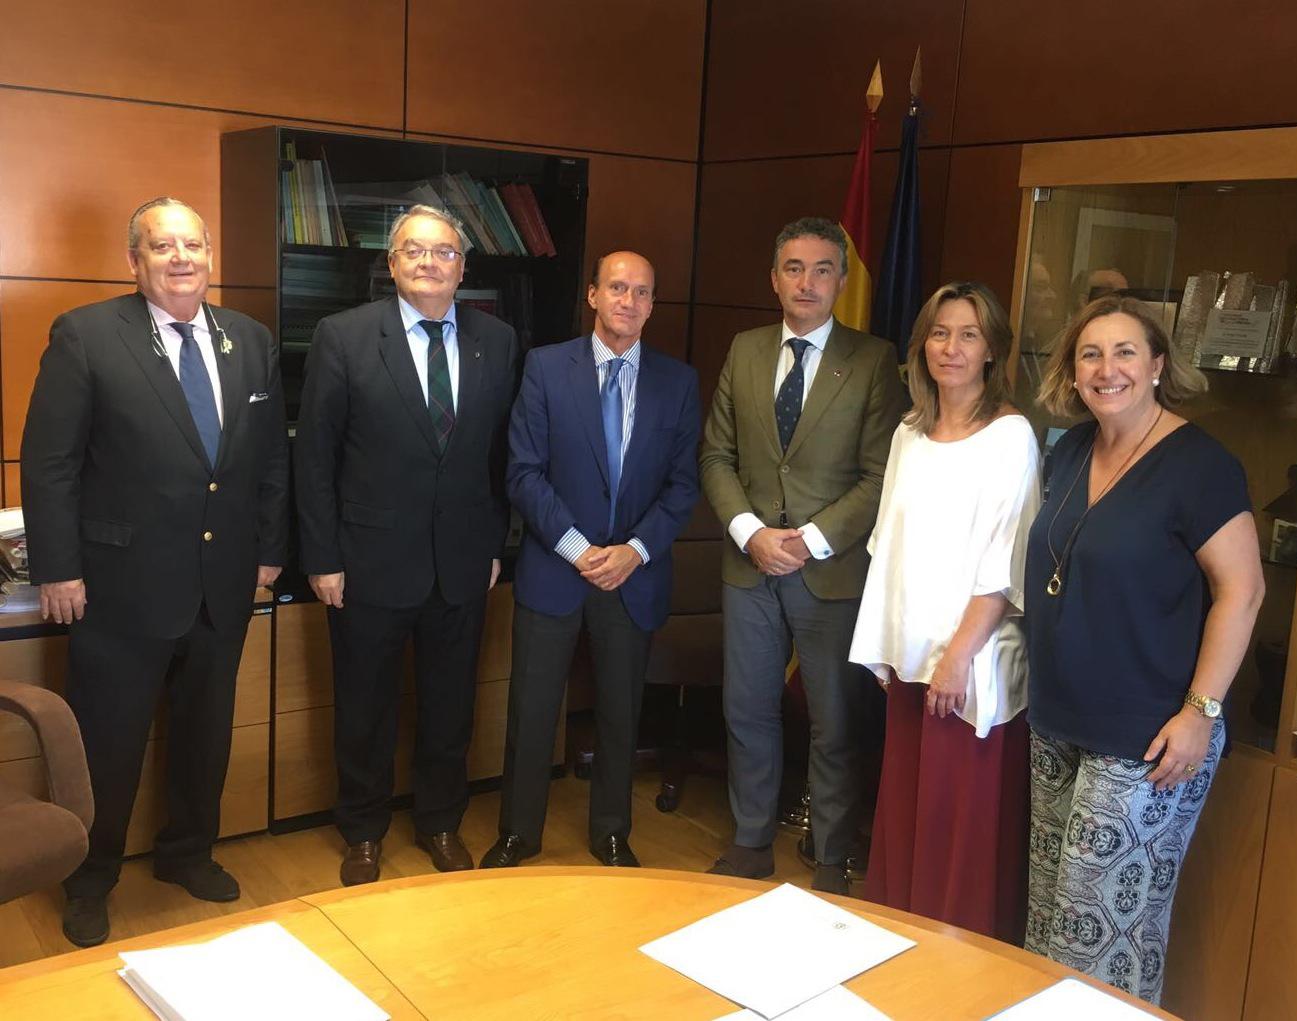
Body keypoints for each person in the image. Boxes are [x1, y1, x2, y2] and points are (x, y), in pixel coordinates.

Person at [20, 197, 288, 947]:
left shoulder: (250, 339)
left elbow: (270, 457)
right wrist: (59, 568)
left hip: (222, 581)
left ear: (209, 255)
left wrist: (270, 549)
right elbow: (49, 464)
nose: (180, 258)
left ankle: (187, 854)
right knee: (107, 743)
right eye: (162, 246)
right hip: (118, 586)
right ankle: (89, 878)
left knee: (206, 735)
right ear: (134, 261)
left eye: (192, 245)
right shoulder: (85, 334)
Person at [1023, 295, 1265, 1004]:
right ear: (1073, 372)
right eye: (1091, 354)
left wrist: (1200, 712)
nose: (1108, 369)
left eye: (1125, 351)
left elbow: (1243, 591)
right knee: (1048, 922)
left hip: (1149, 736)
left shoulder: (1200, 465)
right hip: (1058, 721)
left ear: (1158, 364)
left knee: (1100, 938)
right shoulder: (1071, 448)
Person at [294, 205, 518, 886]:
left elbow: (502, 455)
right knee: (365, 708)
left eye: (444, 251)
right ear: (391, 264)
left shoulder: (497, 340)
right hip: (367, 563)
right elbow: (316, 457)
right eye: (414, 250)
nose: (429, 262)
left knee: (451, 707)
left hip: (462, 562)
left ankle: (440, 822)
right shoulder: (344, 336)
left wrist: (495, 544)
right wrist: (323, 557)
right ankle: (363, 831)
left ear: (462, 267)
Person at [699, 216, 904, 894]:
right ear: (774, 278)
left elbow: (881, 474)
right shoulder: (746, 349)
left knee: (834, 721)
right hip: (749, 565)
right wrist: (750, 533)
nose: (807, 282)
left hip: (831, 572)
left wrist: (809, 540)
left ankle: (833, 855)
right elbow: (717, 455)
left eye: (822, 269)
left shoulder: (873, 359)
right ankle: (751, 841)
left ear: (841, 281)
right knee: (748, 709)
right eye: (794, 268)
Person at [483, 252, 700, 869]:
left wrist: (634, 551)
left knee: (619, 712)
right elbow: (523, 473)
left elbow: (683, 486)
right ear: (593, 295)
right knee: (532, 709)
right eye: (617, 288)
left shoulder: (679, 382)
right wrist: (580, 549)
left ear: (652, 304)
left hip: (634, 575)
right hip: (557, 568)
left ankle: (611, 832)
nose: (628, 301)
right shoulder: (546, 367)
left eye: (642, 291)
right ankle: (519, 833)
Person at [848, 282, 1040, 942]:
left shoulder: (1011, 436)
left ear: (992, 351)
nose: (951, 347)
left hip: (969, 664)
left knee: (957, 826)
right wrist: (883, 649)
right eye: (939, 332)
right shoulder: (908, 432)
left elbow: (1005, 561)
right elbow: (887, 546)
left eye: (968, 335)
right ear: (921, 345)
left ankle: (956, 965)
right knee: (909, 812)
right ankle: (901, 947)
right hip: (910, 659)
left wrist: (957, 657)